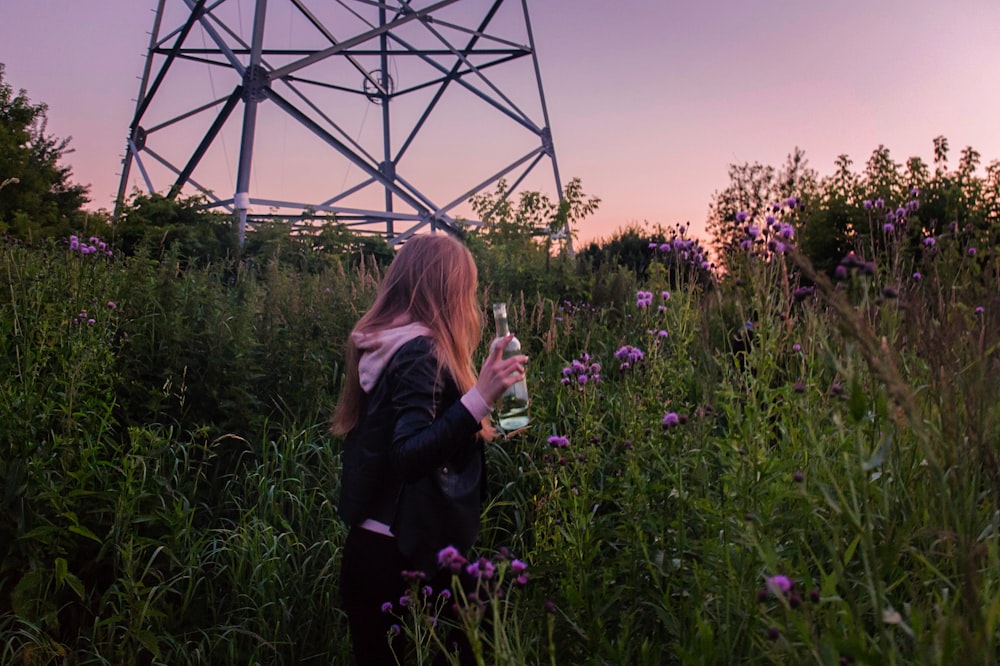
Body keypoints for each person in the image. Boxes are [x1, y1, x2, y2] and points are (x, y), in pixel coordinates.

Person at [332, 233, 528, 665]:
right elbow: (408, 456)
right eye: (467, 291)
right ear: (447, 291)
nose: (471, 304)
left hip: (372, 553)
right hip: (404, 561)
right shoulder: (420, 351)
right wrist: (480, 398)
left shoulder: (385, 344)